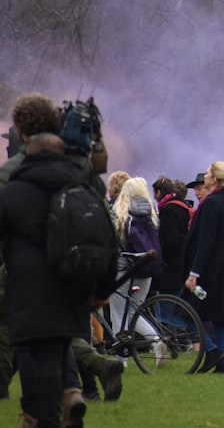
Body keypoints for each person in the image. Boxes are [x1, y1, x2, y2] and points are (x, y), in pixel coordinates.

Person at [0, 133, 117, 427]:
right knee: (59, 349)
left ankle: (40, 416)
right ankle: (70, 395)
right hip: (72, 287)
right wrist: (103, 290)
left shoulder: (12, 191)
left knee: (30, 351)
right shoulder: (84, 189)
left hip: (26, 288)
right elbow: (107, 241)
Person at [183, 161, 224, 373]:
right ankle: (222, 365)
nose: (205, 176)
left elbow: (205, 241)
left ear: (214, 179)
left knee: (185, 311)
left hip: (212, 271)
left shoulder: (211, 204)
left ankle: (211, 351)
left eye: (208, 173)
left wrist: (194, 272)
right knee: (221, 318)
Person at [108, 177, 163, 355]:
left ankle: (121, 358)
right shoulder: (152, 213)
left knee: (118, 315)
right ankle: (157, 341)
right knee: (133, 312)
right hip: (146, 268)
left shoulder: (119, 212)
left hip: (123, 269)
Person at [150, 177, 194, 299]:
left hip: (169, 268)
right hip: (183, 264)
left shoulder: (168, 209)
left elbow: (170, 240)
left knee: (165, 309)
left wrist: (160, 257)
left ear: (159, 192)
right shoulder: (183, 206)